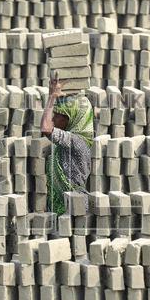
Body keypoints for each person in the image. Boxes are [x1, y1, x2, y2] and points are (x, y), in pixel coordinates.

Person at [40, 72, 94, 214]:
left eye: (59, 115)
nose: (54, 119)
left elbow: (46, 128)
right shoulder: (69, 141)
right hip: (62, 208)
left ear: (73, 118)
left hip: (73, 211)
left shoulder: (77, 142)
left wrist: (52, 97)